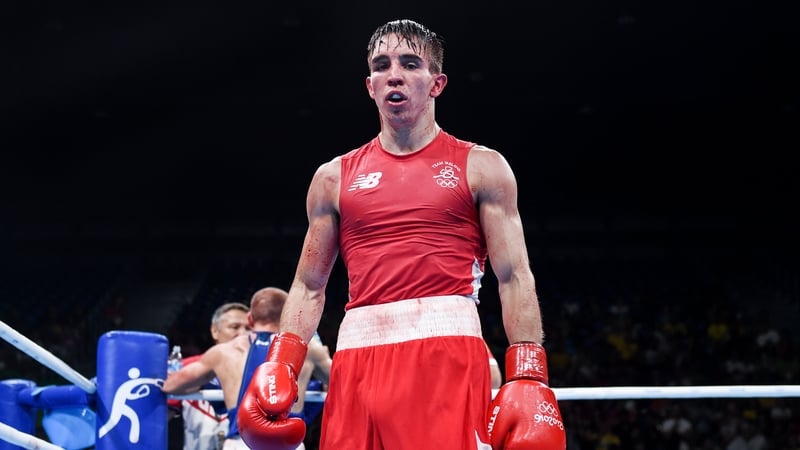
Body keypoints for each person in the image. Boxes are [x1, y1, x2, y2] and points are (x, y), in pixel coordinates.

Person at [238, 18, 566, 450]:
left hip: (444, 350)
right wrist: (282, 361)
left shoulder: (482, 166)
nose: (394, 73)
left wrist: (528, 371)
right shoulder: (333, 178)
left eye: (411, 64)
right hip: (356, 356)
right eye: (382, 64)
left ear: (437, 83)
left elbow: (515, 276)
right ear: (370, 85)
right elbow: (309, 285)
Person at [163, 287, 316, 450]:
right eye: (234, 327)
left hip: (241, 441)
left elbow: (170, 385)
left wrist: (197, 382)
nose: (241, 333)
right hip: (289, 444)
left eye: (244, 328)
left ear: (250, 320)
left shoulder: (222, 353)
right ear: (287, 318)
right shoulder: (309, 349)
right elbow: (341, 380)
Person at [169, 302, 251, 450]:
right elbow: (160, 415)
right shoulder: (188, 367)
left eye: (248, 328)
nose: (243, 334)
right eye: (235, 327)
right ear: (215, 331)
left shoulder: (264, 370)